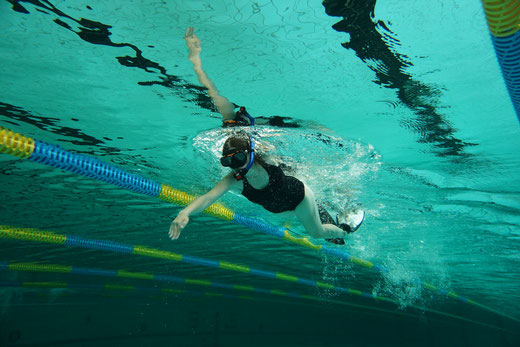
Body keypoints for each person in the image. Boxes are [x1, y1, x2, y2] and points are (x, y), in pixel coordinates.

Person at [169, 134, 361, 244]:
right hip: (280, 210)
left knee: (316, 233)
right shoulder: (233, 180)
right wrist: (185, 212)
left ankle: (344, 229)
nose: (235, 166)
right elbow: (208, 198)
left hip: (300, 198)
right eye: (228, 162)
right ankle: (322, 211)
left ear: (249, 154)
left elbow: (275, 143)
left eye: (238, 159)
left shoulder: (267, 160)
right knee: (289, 225)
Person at [184, 27, 254, 127]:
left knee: (210, 88)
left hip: (232, 121)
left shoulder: (230, 116)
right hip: (236, 123)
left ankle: (194, 53)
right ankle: (194, 53)